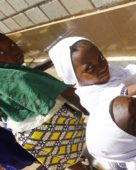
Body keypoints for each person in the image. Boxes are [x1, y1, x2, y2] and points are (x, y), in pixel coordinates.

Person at [0, 33, 87, 170]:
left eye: (11, 45)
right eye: (1, 52)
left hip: (27, 135)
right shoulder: (18, 76)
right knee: (85, 142)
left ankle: (78, 165)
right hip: (50, 125)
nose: (13, 51)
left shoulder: (6, 74)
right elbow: (68, 93)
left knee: (65, 159)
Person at [49, 22, 136, 114]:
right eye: (90, 68)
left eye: (100, 58)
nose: (101, 67)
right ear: (73, 77)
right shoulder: (93, 97)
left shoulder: (107, 71)